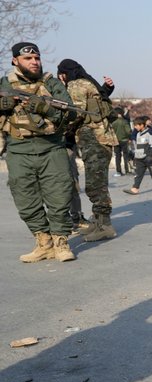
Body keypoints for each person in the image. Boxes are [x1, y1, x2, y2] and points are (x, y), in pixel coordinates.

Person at [0, 42, 76, 262]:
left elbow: (70, 114)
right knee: (25, 198)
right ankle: (44, 242)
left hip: (51, 147)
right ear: (15, 61)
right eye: (28, 59)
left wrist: (43, 107)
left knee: (59, 195)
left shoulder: (51, 83)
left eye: (37, 58)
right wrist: (5, 103)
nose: (34, 62)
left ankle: (61, 242)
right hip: (18, 149)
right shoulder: (5, 83)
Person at [57, 58, 118, 242]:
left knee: (96, 184)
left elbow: (76, 113)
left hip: (94, 138)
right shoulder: (88, 83)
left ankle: (105, 226)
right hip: (99, 138)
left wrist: (59, 129)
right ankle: (97, 222)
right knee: (95, 182)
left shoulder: (75, 84)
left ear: (64, 73)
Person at [123, 117, 152, 195]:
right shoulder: (138, 134)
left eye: (136, 125)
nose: (135, 127)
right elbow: (137, 146)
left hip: (147, 157)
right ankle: (135, 189)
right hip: (139, 158)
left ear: (142, 125)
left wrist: (150, 156)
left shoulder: (149, 133)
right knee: (138, 174)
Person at [111, 107, 131, 176]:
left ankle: (119, 171)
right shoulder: (124, 122)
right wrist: (129, 137)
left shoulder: (113, 123)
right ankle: (127, 170)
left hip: (116, 141)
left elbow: (111, 132)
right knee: (126, 156)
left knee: (117, 156)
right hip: (124, 141)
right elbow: (128, 131)